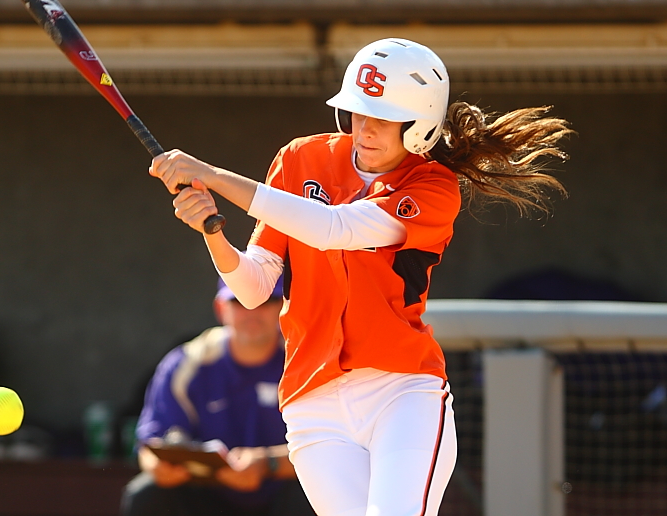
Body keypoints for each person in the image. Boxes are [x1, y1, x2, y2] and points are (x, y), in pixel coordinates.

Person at [149, 38, 572, 516]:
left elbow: (335, 228)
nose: (364, 129)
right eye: (356, 112)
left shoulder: (433, 187)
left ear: (419, 125)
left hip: (401, 391)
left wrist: (215, 176)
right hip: (312, 403)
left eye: (383, 117)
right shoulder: (301, 158)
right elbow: (253, 289)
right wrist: (212, 230)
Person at [123, 274, 316, 516]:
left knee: (321, 489)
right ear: (220, 308)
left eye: (265, 301)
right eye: (239, 301)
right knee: (147, 494)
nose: (252, 311)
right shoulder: (187, 363)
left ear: (284, 306)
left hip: (283, 494)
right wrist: (161, 468)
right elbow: (149, 445)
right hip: (207, 495)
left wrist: (268, 463)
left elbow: (333, 448)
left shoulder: (309, 362)